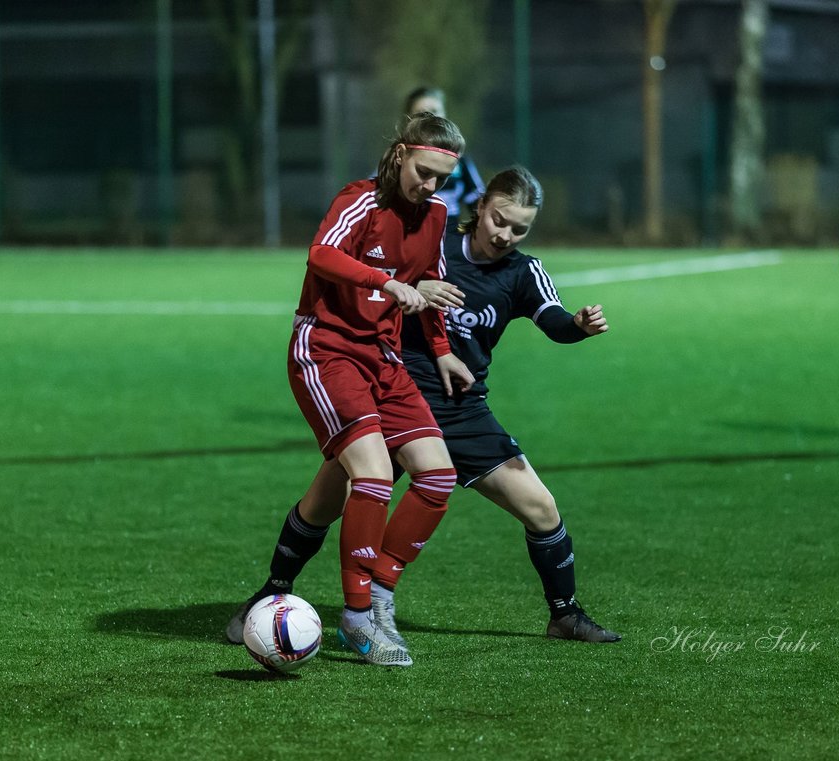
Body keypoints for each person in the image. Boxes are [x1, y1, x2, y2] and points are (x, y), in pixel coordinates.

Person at [226, 166, 620, 647]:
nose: (506, 234)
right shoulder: (436, 245)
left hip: (462, 408)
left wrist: (576, 325)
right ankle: (273, 591)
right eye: (500, 220)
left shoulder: (522, 271)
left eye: (520, 228)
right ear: (480, 208)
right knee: (323, 503)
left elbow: (552, 318)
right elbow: (375, 282)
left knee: (541, 507)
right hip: (396, 395)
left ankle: (564, 614)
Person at [254, 112, 474, 667]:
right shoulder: (360, 200)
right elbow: (321, 256)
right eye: (424, 173)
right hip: (326, 350)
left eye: (441, 179)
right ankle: (355, 617)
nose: (430, 187)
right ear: (401, 155)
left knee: (438, 477)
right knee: (373, 475)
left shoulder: (437, 215)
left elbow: (431, 286)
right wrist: (388, 282)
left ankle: (379, 594)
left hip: (386, 359)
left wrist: (443, 350)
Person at [403, 87, 486, 234]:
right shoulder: (397, 159)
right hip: (407, 232)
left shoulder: (460, 162)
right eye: (422, 113)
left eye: (435, 111)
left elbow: (479, 202)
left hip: (448, 235)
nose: (430, 118)